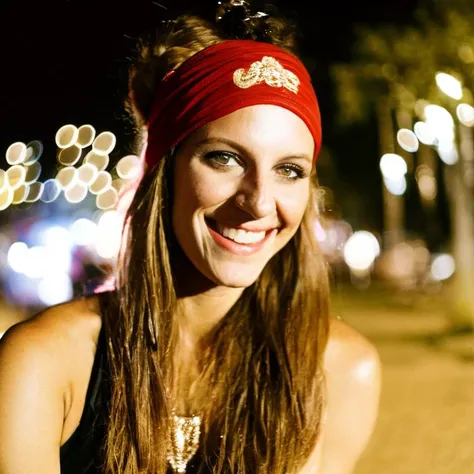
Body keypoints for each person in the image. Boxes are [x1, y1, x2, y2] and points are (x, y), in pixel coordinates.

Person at [0, 2, 381, 473]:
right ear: (166, 170)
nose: (259, 203)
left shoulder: (343, 372)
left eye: (289, 170)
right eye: (224, 158)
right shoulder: (45, 364)